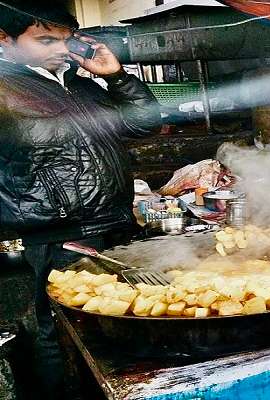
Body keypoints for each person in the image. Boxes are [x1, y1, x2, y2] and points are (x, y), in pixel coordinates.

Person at [0, 2, 161, 397]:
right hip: (56, 237)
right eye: (46, 40)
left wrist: (118, 76)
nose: (61, 47)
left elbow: (144, 124)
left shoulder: (82, 85)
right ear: (4, 40)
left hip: (117, 224)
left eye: (67, 38)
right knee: (64, 335)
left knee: (127, 322)